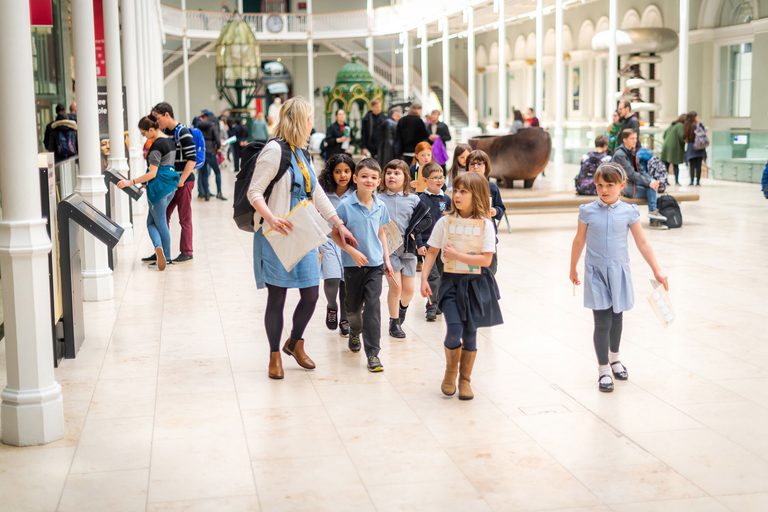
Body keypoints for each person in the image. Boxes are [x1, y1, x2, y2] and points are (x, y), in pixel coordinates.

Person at [248, 97, 357, 380]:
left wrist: (337, 223)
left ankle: (295, 342)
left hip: (303, 232)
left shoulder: (302, 153)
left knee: (311, 294)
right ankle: (274, 355)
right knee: (278, 296)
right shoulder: (274, 151)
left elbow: (317, 193)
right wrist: (271, 217)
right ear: (299, 121)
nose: (312, 125)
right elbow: (254, 192)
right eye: (309, 119)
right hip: (276, 234)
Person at [569, 162, 669, 392]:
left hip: (619, 271)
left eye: (609, 185)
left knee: (617, 317)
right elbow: (579, 240)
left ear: (622, 185)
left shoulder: (629, 211)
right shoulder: (587, 211)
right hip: (596, 272)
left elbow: (642, 242)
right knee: (602, 320)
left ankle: (615, 358)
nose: (603, 190)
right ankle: (603, 368)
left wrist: (657, 269)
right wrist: (572, 266)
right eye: (599, 185)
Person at [420, 172, 503, 400]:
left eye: (463, 191)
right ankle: (450, 371)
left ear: (475, 194)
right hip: (451, 283)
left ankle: (465, 380)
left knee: (470, 332)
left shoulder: (485, 225)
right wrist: (424, 278)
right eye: (456, 190)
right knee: (454, 328)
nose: (457, 195)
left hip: (477, 284)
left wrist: (459, 254)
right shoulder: (445, 221)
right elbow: (432, 252)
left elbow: (486, 260)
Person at [332, 158, 394, 371]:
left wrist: (386, 259)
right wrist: (352, 251)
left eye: (374, 177)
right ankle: (354, 331)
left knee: (373, 307)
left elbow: (381, 232)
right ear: (355, 178)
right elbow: (335, 235)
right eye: (365, 176)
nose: (369, 180)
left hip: (375, 265)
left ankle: (373, 354)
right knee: (353, 310)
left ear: (379, 182)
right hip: (352, 266)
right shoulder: (345, 206)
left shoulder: (380, 205)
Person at [378, 159, 432, 339]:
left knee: (408, 290)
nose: (392, 176)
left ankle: (402, 310)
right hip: (388, 250)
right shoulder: (377, 199)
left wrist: (415, 232)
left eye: (397, 173)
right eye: (389, 173)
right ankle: (394, 323)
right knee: (396, 287)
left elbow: (427, 218)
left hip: (408, 250)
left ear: (405, 178)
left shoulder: (414, 199)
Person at [118, 116, 179, 271]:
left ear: (151, 130)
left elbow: (152, 173)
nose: (144, 136)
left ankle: (165, 254)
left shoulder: (156, 147)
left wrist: (130, 182)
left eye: (144, 133)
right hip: (171, 186)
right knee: (157, 221)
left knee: (156, 223)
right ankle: (162, 253)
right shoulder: (170, 141)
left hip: (158, 188)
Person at [150, 102, 196, 263]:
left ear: (167, 115)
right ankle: (160, 250)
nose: (157, 122)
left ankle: (187, 251)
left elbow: (192, 159)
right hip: (169, 183)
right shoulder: (164, 133)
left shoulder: (183, 132)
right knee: (161, 217)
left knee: (184, 217)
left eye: (158, 118)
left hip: (183, 181)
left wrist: (181, 181)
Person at [318, 153, 356, 337]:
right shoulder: (324, 194)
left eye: (347, 171)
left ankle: (345, 318)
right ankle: (332, 306)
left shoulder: (356, 194)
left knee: (347, 284)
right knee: (332, 279)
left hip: (350, 245)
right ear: (330, 173)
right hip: (328, 241)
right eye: (338, 171)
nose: (343, 175)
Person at [418, 162, 451, 321]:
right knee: (433, 276)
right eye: (435, 177)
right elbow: (415, 225)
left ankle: (438, 303)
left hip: (444, 245)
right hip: (427, 245)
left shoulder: (446, 199)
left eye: (441, 177)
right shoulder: (420, 200)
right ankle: (431, 307)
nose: (439, 180)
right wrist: (419, 244)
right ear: (425, 180)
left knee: (442, 275)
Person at [612, 129, 666, 226]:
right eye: (632, 138)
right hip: (624, 187)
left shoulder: (631, 152)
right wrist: (649, 183)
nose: (635, 140)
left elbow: (641, 171)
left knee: (651, 186)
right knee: (650, 187)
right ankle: (653, 215)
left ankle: (653, 215)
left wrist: (651, 180)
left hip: (632, 184)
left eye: (636, 138)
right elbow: (631, 174)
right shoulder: (620, 155)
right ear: (624, 140)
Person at [466, 150, 506, 274]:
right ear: (467, 167)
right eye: (472, 164)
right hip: (468, 235)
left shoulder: (492, 187)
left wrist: (496, 211)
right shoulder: (463, 185)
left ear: (486, 167)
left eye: (479, 164)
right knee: (470, 270)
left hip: (488, 235)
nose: (476, 167)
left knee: (490, 270)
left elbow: (501, 207)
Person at [197, 110, 226, 201]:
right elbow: (217, 139)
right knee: (217, 172)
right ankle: (219, 193)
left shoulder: (199, 126)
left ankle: (206, 195)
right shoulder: (213, 125)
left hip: (202, 151)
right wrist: (218, 147)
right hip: (211, 151)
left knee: (204, 174)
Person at [684, 111, 708, 186]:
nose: (698, 118)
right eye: (697, 116)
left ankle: (691, 181)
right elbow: (704, 134)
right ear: (694, 117)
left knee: (692, 165)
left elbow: (684, 136)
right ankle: (697, 181)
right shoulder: (698, 125)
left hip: (691, 146)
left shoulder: (687, 126)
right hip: (699, 147)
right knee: (698, 165)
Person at [661, 114, 686, 186]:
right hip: (674, 148)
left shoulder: (672, 125)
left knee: (666, 166)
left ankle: (665, 181)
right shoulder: (680, 125)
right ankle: (677, 181)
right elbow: (681, 137)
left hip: (666, 147)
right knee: (676, 165)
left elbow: (664, 135)